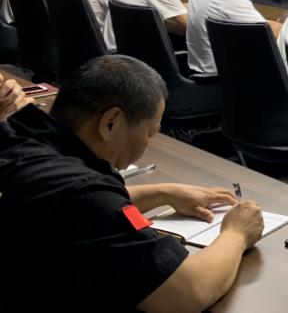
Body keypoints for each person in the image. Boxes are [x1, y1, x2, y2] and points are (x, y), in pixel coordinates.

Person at [0, 55, 264, 312]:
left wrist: (164, 193)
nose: (148, 144)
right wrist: (237, 233)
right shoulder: (85, 195)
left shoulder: (20, 133)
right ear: (110, 123)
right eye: (150, 132)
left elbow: (68, 204)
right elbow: (187, 293)